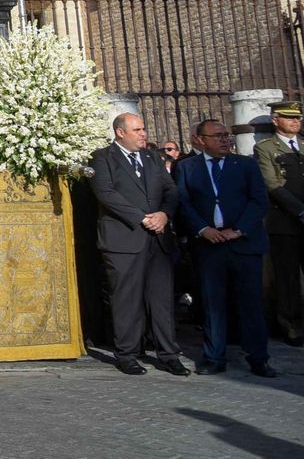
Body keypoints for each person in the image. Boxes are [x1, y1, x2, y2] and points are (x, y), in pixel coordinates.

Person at [87, 114, 187, 375]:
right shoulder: (103, 158)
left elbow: (171, 190)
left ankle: (168, 353)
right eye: (137, 129)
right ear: (121, 133)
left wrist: (165, 214)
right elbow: (106, 193)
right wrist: (141, 218)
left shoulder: (153, 158)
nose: (143, 134)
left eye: (144, 129)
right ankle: (128, 354)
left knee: (161, 299)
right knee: (126, 299)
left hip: (158, 237)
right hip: (124, 238)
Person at [177, 118, 274, 376]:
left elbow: (258, 201)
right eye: (217, 136)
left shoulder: (246, 165)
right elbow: (182, 203)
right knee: (213, 304)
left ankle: (258, 357)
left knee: (251, 303)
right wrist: (202, 229)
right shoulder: (188, 168)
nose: (224, 140)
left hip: (243, 243)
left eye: (227, 135)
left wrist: (239, 229)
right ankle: (214, 357)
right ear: (201, 140)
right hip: (209, 246)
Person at [255, 102, 304, 346]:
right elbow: (272, 183)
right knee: (287, 278)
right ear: (276, 120)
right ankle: (291, 326)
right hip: (284, 223)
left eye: (297, 118)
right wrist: (300, 211)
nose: (295, 122)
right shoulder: (265, 148)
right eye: (289, 118)